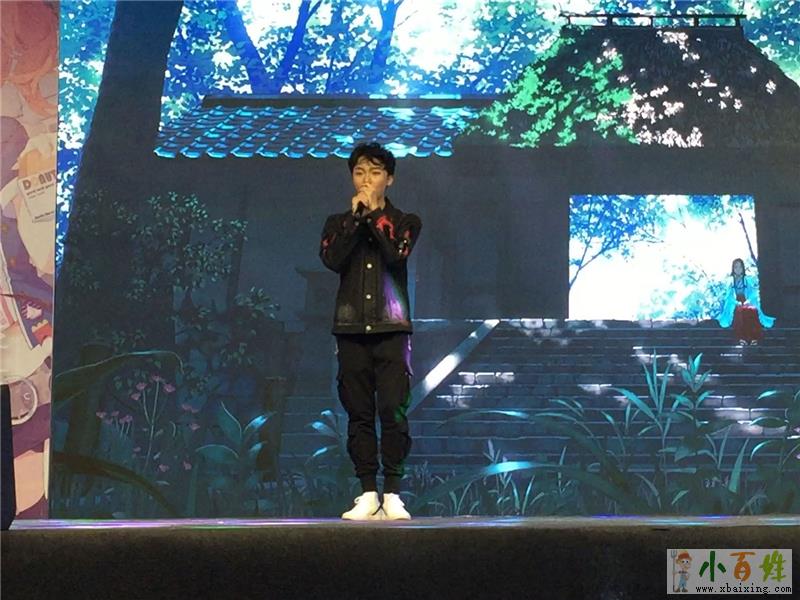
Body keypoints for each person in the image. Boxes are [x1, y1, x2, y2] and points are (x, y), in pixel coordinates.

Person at [319, 142, 422, 520]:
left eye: (375, 172)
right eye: (360, 172)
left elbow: (396, 253)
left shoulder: (406, 221)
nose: (366, 180)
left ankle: (392, 491)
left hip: (392, 327)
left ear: (389, 179)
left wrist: (375, 215)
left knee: (393, 410)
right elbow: (332, 259)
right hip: (350, 330)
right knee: (358, 412)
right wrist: (356, 220)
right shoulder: (338, 223)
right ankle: (366, 491)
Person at [717, 258, 775, 345]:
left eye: (740, 267)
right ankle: (741, 338)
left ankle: (754, 338)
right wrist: (736, 302)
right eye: (736, 267)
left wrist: (748, 301)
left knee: (752, 311)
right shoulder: (730, 281)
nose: (738, 269)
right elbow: (729, 296)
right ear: (733, 269)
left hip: (747, 301)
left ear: (743, 268)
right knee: (739, 312)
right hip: (734, 303)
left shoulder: (747, 280)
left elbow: (753, 293)